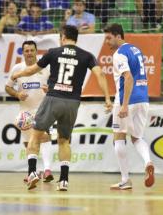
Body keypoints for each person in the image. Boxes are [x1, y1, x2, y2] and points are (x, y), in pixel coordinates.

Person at [12, 25, 112, 191]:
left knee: (35, 136)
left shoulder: (53, 52)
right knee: (64, 141)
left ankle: (32, 172)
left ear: (63, 37)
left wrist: (18, 75)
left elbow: (32, 69)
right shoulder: (87, 56)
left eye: (60, 36)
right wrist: (107, 98)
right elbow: (100, 74)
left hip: (53, 98)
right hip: (72, 102)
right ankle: (64, 180)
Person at [103, 23, 155, 190]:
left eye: (109, 38)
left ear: (119, 36)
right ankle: (148, 162)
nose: (107, 42)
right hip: (143, 99)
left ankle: (125, 180)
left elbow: (128, 78)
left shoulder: (119, 54)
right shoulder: (135, 49)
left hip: (127, 100)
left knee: (118, 137)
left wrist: (124, 105)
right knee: (137, 137)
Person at [5, 40, 54, 184]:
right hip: (25, 112)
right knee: (28, 143)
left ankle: (47, 170)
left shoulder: (46, 67)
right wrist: (17, 94)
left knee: (44, 137)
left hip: (43, 109)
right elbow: (7, 87)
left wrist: (49, 89)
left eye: (32, 50)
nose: (29, 53)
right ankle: (35, 172)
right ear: (23, 53)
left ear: (36, 51)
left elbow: (55, 85)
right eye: (26, 51)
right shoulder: (17, 68)